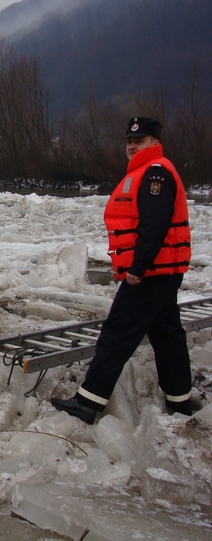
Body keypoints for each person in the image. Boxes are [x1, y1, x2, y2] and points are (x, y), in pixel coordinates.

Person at [52, 117, 193, 424]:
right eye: (130, 141)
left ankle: (88, 402)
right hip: (161, 272)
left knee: (117, 333)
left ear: (154, 143)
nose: (131, 145)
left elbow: (154, 226)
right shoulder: (145, 171)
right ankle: (180, 400)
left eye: (139, 141)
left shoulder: (155, 173)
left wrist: (138, 267)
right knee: (167, 334)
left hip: (151, 272)